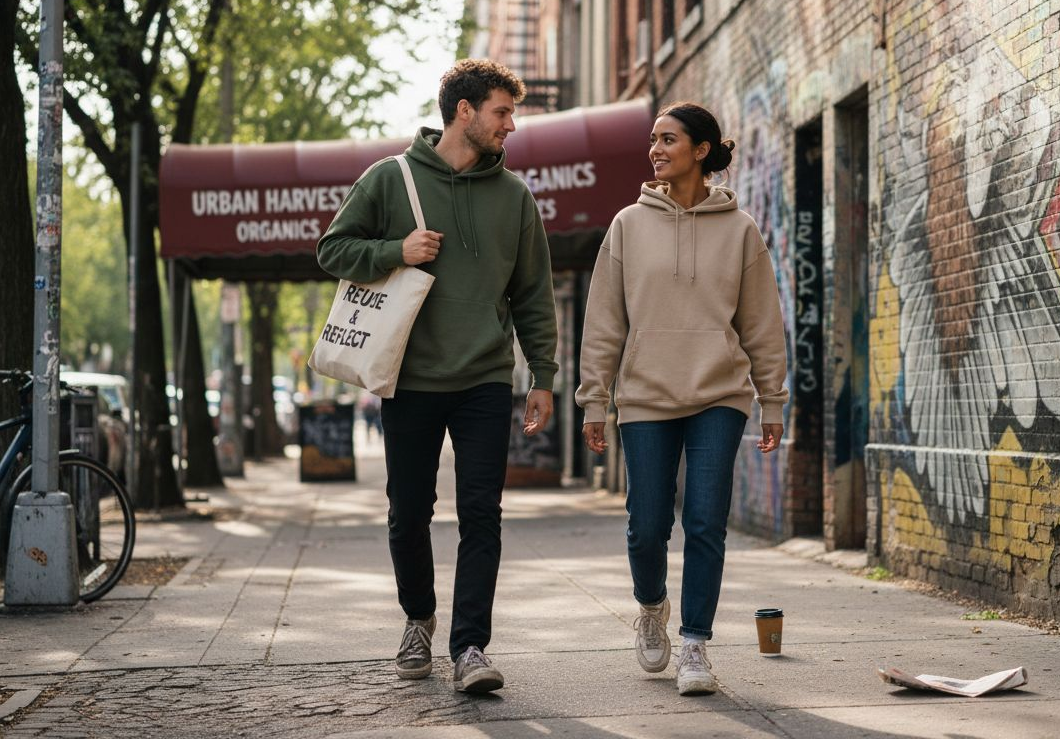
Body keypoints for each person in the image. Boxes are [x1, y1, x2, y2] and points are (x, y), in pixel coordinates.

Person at [316, 59, 558, 694]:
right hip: (411, 377)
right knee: (408, 512)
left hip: (484, 378)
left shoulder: (514, 197)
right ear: (464, 111)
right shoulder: (389, 178)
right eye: (502, 112)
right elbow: (332, 249)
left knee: (482, 513)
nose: (511, 126)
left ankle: (469, 646)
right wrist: (395, 251)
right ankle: (418, 619)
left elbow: (533, 294)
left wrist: (543, 374)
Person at [575, 102, 788, 696]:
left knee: (705, 521)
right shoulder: (627, 225)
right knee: (646, 524)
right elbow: (604, 321)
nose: (655, 150)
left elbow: (762, 323)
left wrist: (772, 400)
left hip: (720, 393)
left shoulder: (740, 230)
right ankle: (651, 607)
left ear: (701, 150)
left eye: (668, 140)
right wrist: (595, 399)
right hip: (645, 393)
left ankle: (694, 643)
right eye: (653, 140)